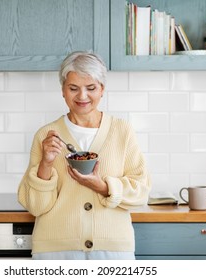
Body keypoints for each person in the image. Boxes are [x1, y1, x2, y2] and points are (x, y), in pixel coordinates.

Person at [17, 51, 151, 260]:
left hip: (112, 251)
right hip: (55, 251)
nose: (82, 96)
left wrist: (103, 187)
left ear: (102, 89)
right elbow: (35, 206)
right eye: (73, 88)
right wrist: (46, 163)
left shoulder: (122, 131)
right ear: (62, 90)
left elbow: (141, 192)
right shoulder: (46, 135)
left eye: (91, 88)